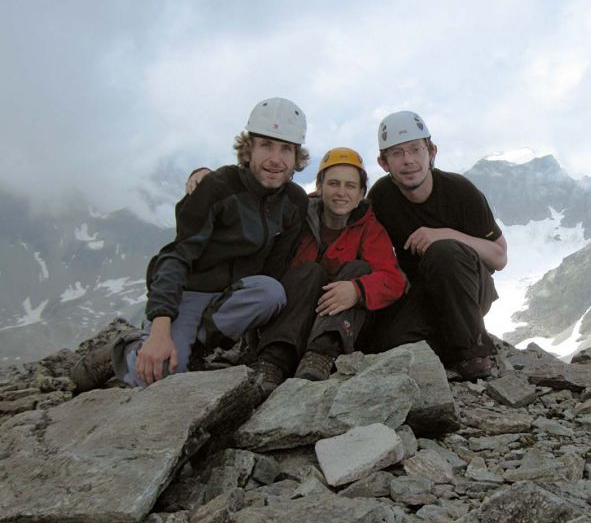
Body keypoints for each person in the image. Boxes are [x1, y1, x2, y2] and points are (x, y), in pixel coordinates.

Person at [71, 97, 310, 396]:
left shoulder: (294, 202)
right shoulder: (219, 187)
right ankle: (127, 350)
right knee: (162, 375)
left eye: (286, 148)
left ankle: (187, 346)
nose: (276, 158)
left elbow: (275, 268)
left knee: (272, 291)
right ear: (248, 149)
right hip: (190, 293)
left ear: (297, 156)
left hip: (231, 298)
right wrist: (161, 330)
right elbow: (175, 257)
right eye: (266, 145)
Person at [357, 111, 508, 380]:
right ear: (383, 163)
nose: (409, 161)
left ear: (432, 152)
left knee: (444, 251)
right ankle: (444, 345)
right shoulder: (381, 196)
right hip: (421, 294)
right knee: (383, 346)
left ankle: (472, 353)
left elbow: (499, 257)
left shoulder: (460, 191)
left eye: (416, 149)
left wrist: (446, 234)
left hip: (468, 289)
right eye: (397, 153)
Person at [255, 147, 406, 382]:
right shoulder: (299, 217)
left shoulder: (370, 229)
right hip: (294, 318)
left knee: (358, 270)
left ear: (361, 194)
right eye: (334, 183)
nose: (341, 192)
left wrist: (357, 290)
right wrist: (204, 176)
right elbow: (257, 198)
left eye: (350, 186)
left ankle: (321, 355)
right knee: (309, 272)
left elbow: (394, 280)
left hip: (343, 329)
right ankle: (274, 360)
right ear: (320, 186)